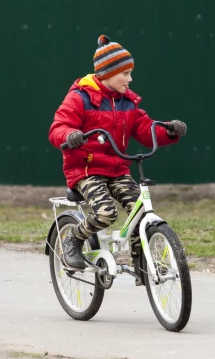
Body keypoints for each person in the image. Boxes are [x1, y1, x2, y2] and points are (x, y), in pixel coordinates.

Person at [49, 35, 187, 271]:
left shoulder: (127, 103)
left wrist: (169, 130)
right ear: (108, 73)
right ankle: (73, 238)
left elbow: (145, 130)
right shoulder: (80, 98)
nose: (130, 79)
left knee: (140, 212)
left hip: (117, 168)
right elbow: (58, 128)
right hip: (86, 169)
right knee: (106, 213)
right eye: (126, 73)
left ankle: (142, 263)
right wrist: (69, 136)